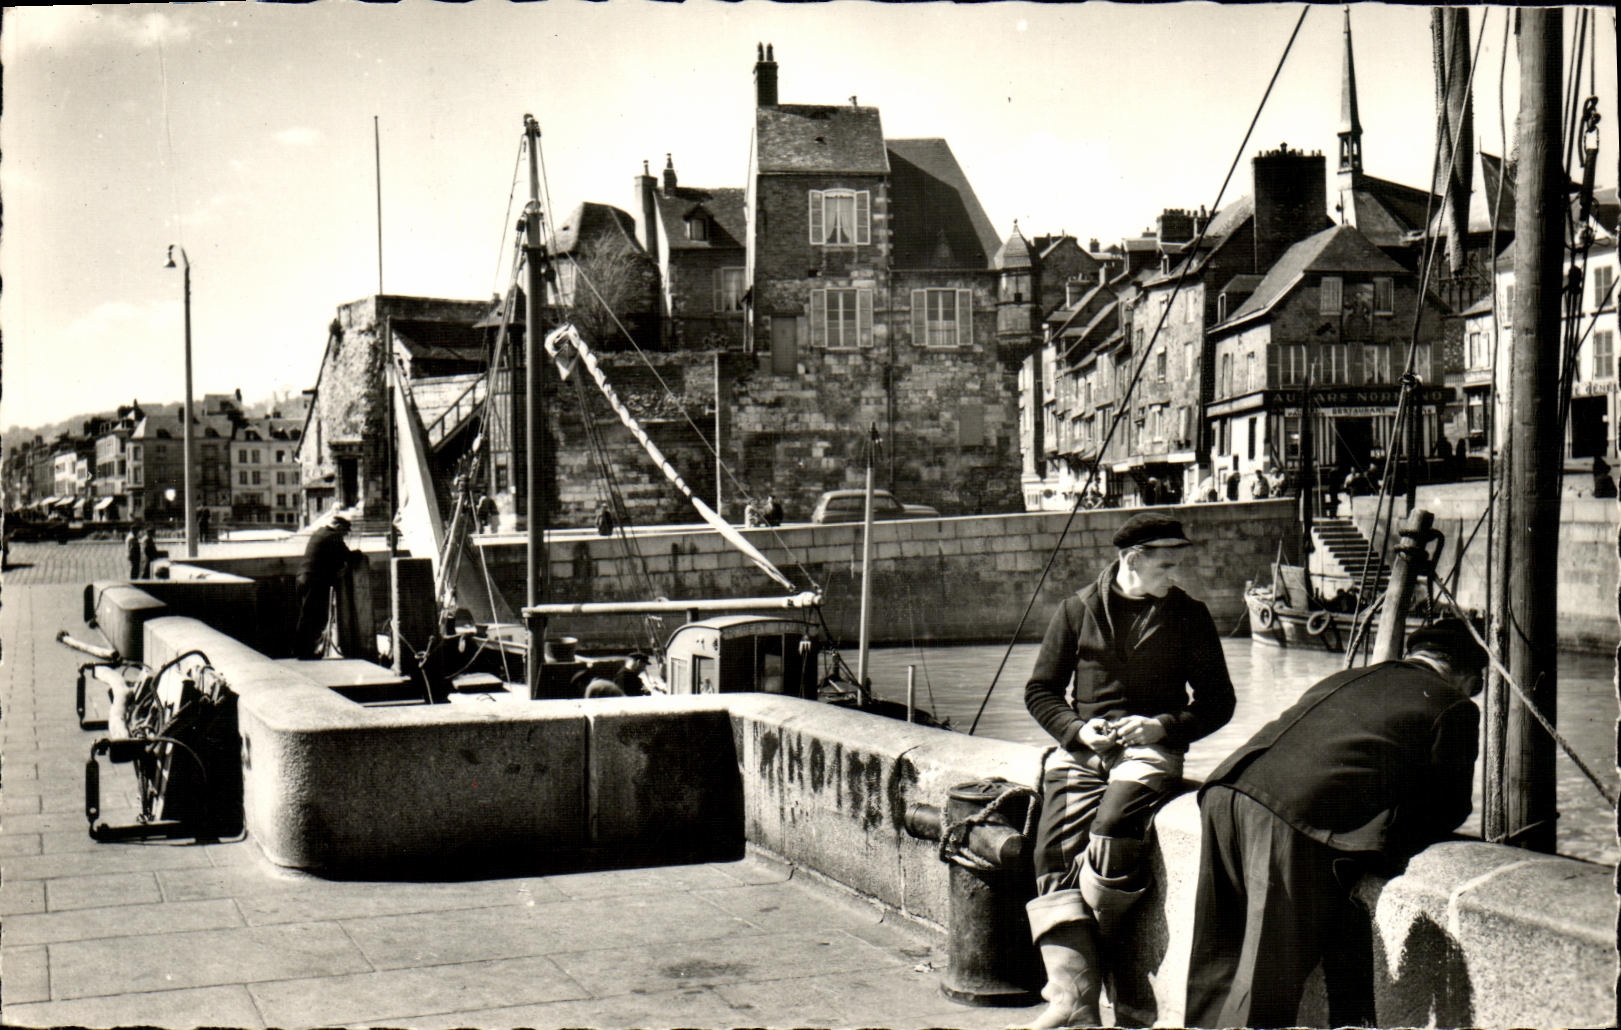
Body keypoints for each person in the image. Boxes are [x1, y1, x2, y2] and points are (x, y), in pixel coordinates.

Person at [1184, 617, 1488, 1030]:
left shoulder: (1351, 675)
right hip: (1286, 816)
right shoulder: (1454, 705)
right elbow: (1447, 807)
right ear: (1468, 675)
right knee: (1266, 980)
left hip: (1226, 790)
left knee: (1217, 958)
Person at [1022, 511, 1236, 1029]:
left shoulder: (1189, 615)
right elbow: (1041, 692)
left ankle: (1086, 984)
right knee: (1052, 849)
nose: (1175, 575)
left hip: (1150, 750)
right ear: (1132, 559)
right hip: (1083, 749)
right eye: (1166, 564)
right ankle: (1073, 1003)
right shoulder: (1077, 609)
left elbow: (1219, 702)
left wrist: (1161, 726)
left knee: (1113, 831)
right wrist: (1078, 730)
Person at [293, 512, 358, 659]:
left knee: (306, 616)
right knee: (314, 617)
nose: (344, 536)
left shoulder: (320, 533)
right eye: (344, 532)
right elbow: (347, 556)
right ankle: (305, 653)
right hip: (314, 581)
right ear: (338, 527)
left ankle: (302, 651)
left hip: (303, 578)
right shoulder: (332, 537)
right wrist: (358, 554)